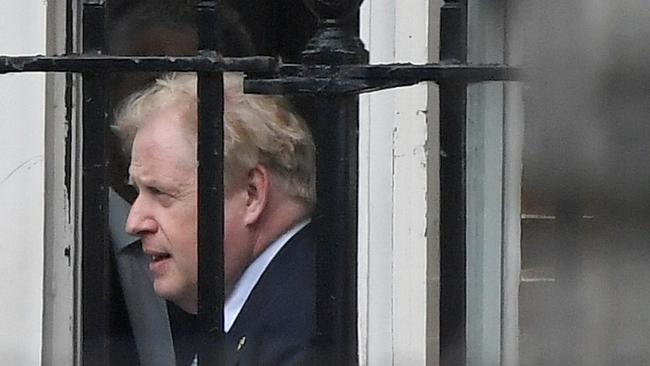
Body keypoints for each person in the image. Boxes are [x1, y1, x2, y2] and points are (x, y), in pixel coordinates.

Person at [114, 72, 318, 365]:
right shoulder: (264, 309)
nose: (133, 222)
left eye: (160, 192)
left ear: (251, 194)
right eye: (138, 191)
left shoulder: (304, 332)